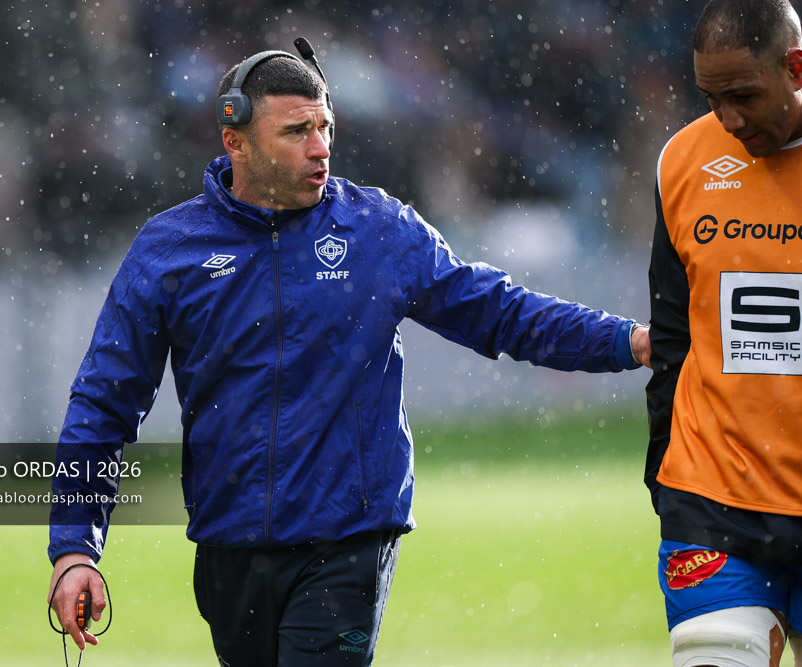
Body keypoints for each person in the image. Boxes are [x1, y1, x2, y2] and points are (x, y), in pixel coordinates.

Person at [47, 40, 651, 666]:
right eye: (296, 131)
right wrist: (74, 549)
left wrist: (625, 340)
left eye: (325, 127)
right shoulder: (169, 250)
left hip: (347, 541)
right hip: (228, 548)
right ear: (235, 142)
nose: (320, 148)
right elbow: (103, 403)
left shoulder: (377, 230)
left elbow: (498, 312)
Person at [645, 1, 802, 665]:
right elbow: (673, 335)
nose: (728, 119)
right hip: (713, 500)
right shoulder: (683, 160)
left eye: (743, 96)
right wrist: (663, 474)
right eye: (711, 99)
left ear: (796, 68)